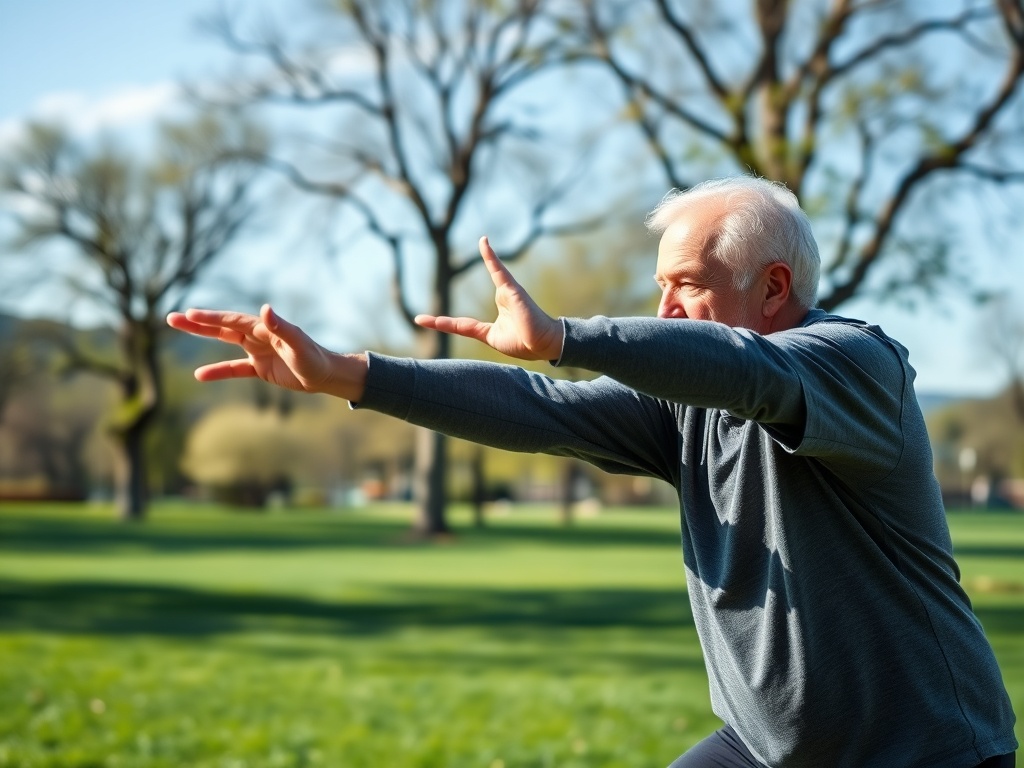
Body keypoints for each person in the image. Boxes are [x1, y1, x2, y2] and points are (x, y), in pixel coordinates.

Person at [167, 175, 1017, 768]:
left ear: (773, 289)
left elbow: (749, 371)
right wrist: (347, 374)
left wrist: (570, 336)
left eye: (686, 285)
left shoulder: (857, 365)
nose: (664, 311)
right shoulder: (683, 409)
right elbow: (543, 408)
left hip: (923, 751)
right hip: (762, 751)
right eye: (660, 288)